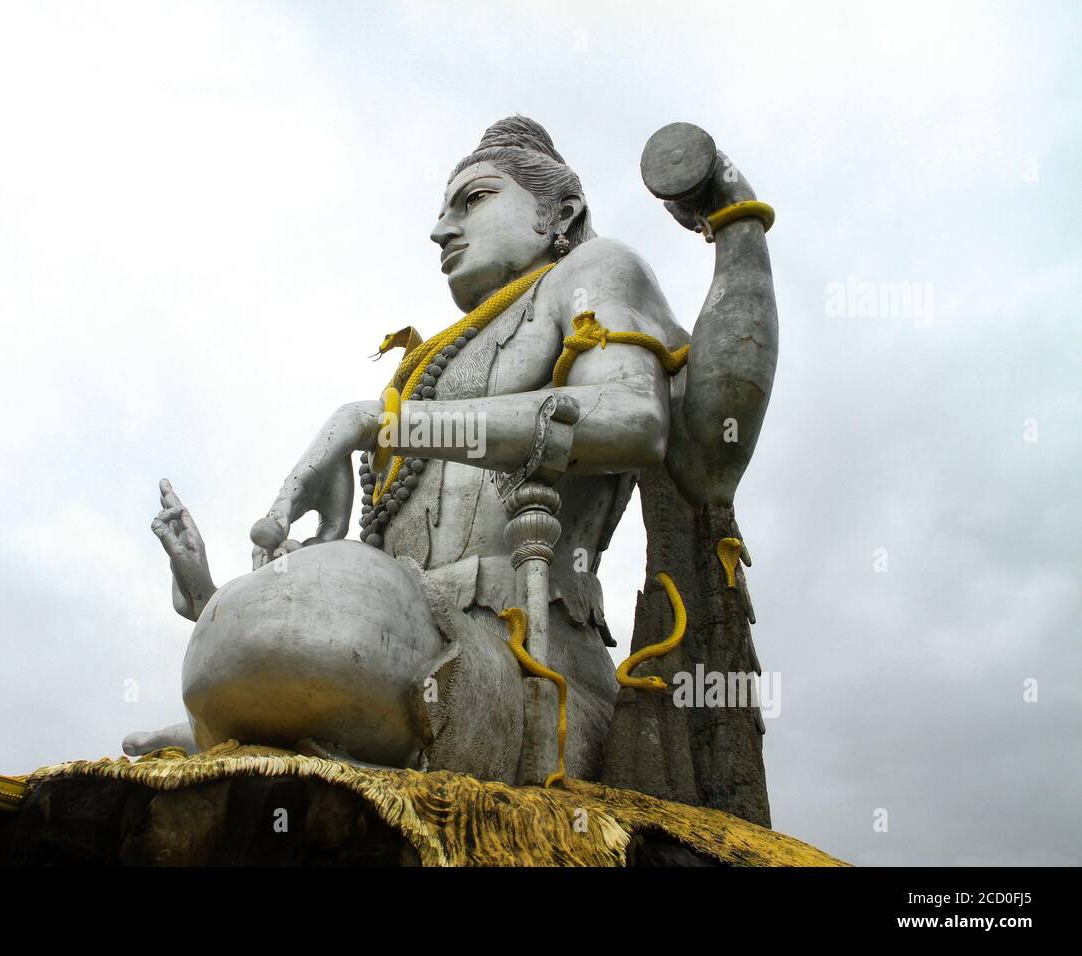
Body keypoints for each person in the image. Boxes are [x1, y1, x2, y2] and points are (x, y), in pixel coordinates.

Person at [126, 116, 776, 804]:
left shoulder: (589, 274)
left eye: (474, 201)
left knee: (302, 629)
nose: (442, 231)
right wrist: (207, 593)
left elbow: (631, 418)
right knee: (267, 622)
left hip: (526, 667)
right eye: (442, 212)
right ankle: (250, 705)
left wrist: (382, 425)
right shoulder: (429, 363)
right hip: (405, 635)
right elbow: (362, 600)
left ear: (561, 214)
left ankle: (250, 707)